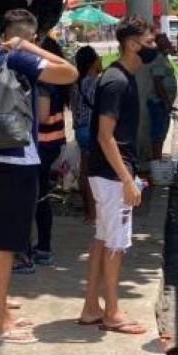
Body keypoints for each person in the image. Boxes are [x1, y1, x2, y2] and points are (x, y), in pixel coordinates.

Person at [0, 9, 77, 344]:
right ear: (29, 36)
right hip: (16, 160)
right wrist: (32, 49)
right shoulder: (21, 60)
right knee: (5, 246)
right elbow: (70, 72)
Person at [78, 17, 155, 335]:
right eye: (149, 42)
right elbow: (104, 136)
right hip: (112, 175)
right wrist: (127, 179)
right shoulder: (116, 81)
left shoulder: (119, 77)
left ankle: (91, 308)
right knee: (116, 246)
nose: (154, 48)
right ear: (132, 44)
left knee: (102, 240)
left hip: (108, 173)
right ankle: (112, 312)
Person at [29, 34, 69, 270]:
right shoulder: (59, 80)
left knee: (36, 199)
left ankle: (40, 249)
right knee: (41, 197)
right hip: (52, 144)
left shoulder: (44, 82)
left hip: (42, 145)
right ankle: (43, 247)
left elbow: (42, 116)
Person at [72, 45, 102, 224]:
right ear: (92, 62)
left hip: (80, 129)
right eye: (98, 57)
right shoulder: (96, 82)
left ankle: (88, 212)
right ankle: (92, 215)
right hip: (92, 129)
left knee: (84, 171)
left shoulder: (76, 82)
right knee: (93, 173)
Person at [147, 33, 178, 160]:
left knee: (161, 134)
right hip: (158, 103)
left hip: (162, 103)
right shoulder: (159, 59)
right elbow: (158, 83)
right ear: (160, 45)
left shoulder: (164, 58)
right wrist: (166, 102)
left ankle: (158, 160)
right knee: (158, 135)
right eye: (166, 42)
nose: (169, 43)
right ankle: (157, 162)